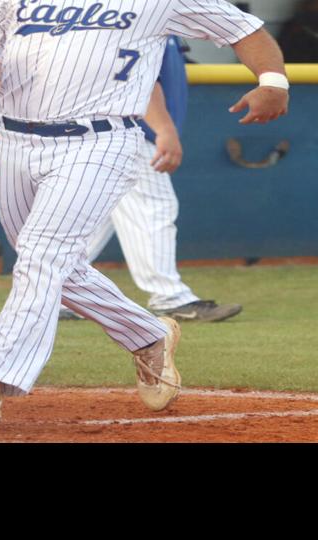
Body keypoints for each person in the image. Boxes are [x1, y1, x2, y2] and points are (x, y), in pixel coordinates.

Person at [0, 0, 289, 426]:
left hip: (101, 140)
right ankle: (149, 334)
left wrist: (274, 81)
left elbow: (245, 29)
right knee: (50, 262)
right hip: (15, 140)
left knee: (44, 255)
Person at [74, 37, 242, 324]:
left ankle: (61, 289)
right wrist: (162, 130)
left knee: (99, 213)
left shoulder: (161, 16)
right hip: (131, 128)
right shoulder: (136, 14)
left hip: (118, 128)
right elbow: (139, 77)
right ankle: (170, 298)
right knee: (154, 208)